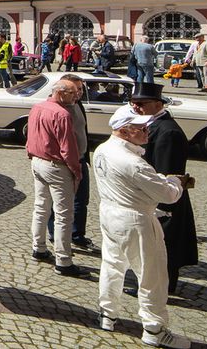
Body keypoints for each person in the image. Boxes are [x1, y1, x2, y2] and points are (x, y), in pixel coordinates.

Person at [94, 106, 191, 348]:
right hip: (136, 219)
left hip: (111, 214)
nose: (147, 131)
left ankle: (107, 314)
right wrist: (175, 181)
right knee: (152, 275)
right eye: (141, 128)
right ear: (124, 131)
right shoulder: (132, 162)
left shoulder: (102, 150)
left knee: (112, 265)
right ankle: (154, 328)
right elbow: (168, 195)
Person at [131, 84, 199, 294]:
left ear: (158, 104)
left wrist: (159, 204)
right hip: (153, 196)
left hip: (165, 199)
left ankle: (161, 287)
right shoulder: (152, 124)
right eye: (134, 104)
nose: (137, 108)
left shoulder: (168, 132)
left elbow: (167, 174)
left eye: (141, 104)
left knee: (164, 245)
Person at [26, 82, 89, 276]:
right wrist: (76, 170)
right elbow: (67, 147)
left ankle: (39, 248)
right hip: (56, 166)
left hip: (37, 161)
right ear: (61, 93)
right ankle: (63, 260)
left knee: (41, 207)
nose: (76, 97)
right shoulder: (62, 114)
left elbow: (30, 135)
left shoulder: (37, 107)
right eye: (72, 93)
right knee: (63, 214)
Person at [47, 75, 94, 249]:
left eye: (80, 89)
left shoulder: (77, 104)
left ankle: (77, 234)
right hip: (65, 163)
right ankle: (55, 235)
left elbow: (82, 132)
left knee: (82, 200)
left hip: (80, 159)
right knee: (58, 203)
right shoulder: (58, 110)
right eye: (74, 90)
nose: (78, 93)